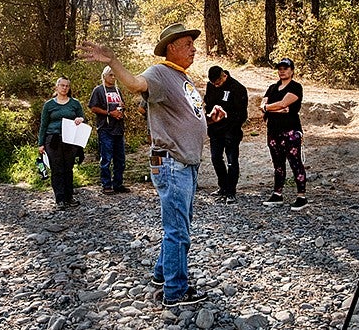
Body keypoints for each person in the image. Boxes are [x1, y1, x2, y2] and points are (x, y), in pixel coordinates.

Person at [81, 22, 225, 308]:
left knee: (178, 225)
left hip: (184, 163)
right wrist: (113, 61)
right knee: (178, 231)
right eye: (187, 44)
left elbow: (184, 118)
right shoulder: (159, 73)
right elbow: (135, 84)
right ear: (171, 47)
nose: (194, 49)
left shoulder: (182, 78)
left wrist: (208, 119)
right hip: (172, 163)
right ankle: (175, 292)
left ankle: (162, 274)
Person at [260, 57, 308, 211]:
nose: (282, 71)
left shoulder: (295, 87)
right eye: (280, 68)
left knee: (295, 162)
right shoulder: (272, 88)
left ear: (292, 70)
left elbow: (284, 104)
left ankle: (301, 196)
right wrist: (273, 108)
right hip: (273, 130)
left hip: (290, 131)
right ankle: (277, 194)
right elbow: (263, 104)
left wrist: (271, 107)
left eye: (285, 68)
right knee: (278, 164)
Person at [38, 77, 86, 208]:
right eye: (62, 85)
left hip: (70, 139)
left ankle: (69, 197)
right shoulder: (49, 105)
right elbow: (43, 125)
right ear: (57, 87)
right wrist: (40, 143)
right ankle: (60, 199)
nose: (64, 88)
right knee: (57, 169)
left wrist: (79, 119)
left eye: (67, 86)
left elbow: (82, 117)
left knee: (68, 168)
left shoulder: (75, 104)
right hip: (52, 139)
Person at [203, 66, 248, 204]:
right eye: (213, 83)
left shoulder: (238, 88)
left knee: (231, 161)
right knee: (216, 158)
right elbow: (207, 104)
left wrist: (228, 120)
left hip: (231, 131)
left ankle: (231, 191)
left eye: (217, 82)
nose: (216, 85)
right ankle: (223, 186)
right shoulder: (210, 86)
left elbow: (242, 115)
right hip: (216, 131)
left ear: (224, 76)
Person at [88, 66, 129, 194]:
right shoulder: (98, 90)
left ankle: (118, 183)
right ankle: (106, 185)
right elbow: (93, 107)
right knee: (106, 158)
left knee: (120, 159)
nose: (113, 77)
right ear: (104, 76)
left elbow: (121, 106)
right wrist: (109, 113)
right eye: (111, 75)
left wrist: (122, 109)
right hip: (105, 128)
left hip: (118, 128)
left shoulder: (117, 90)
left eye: (115, 75)